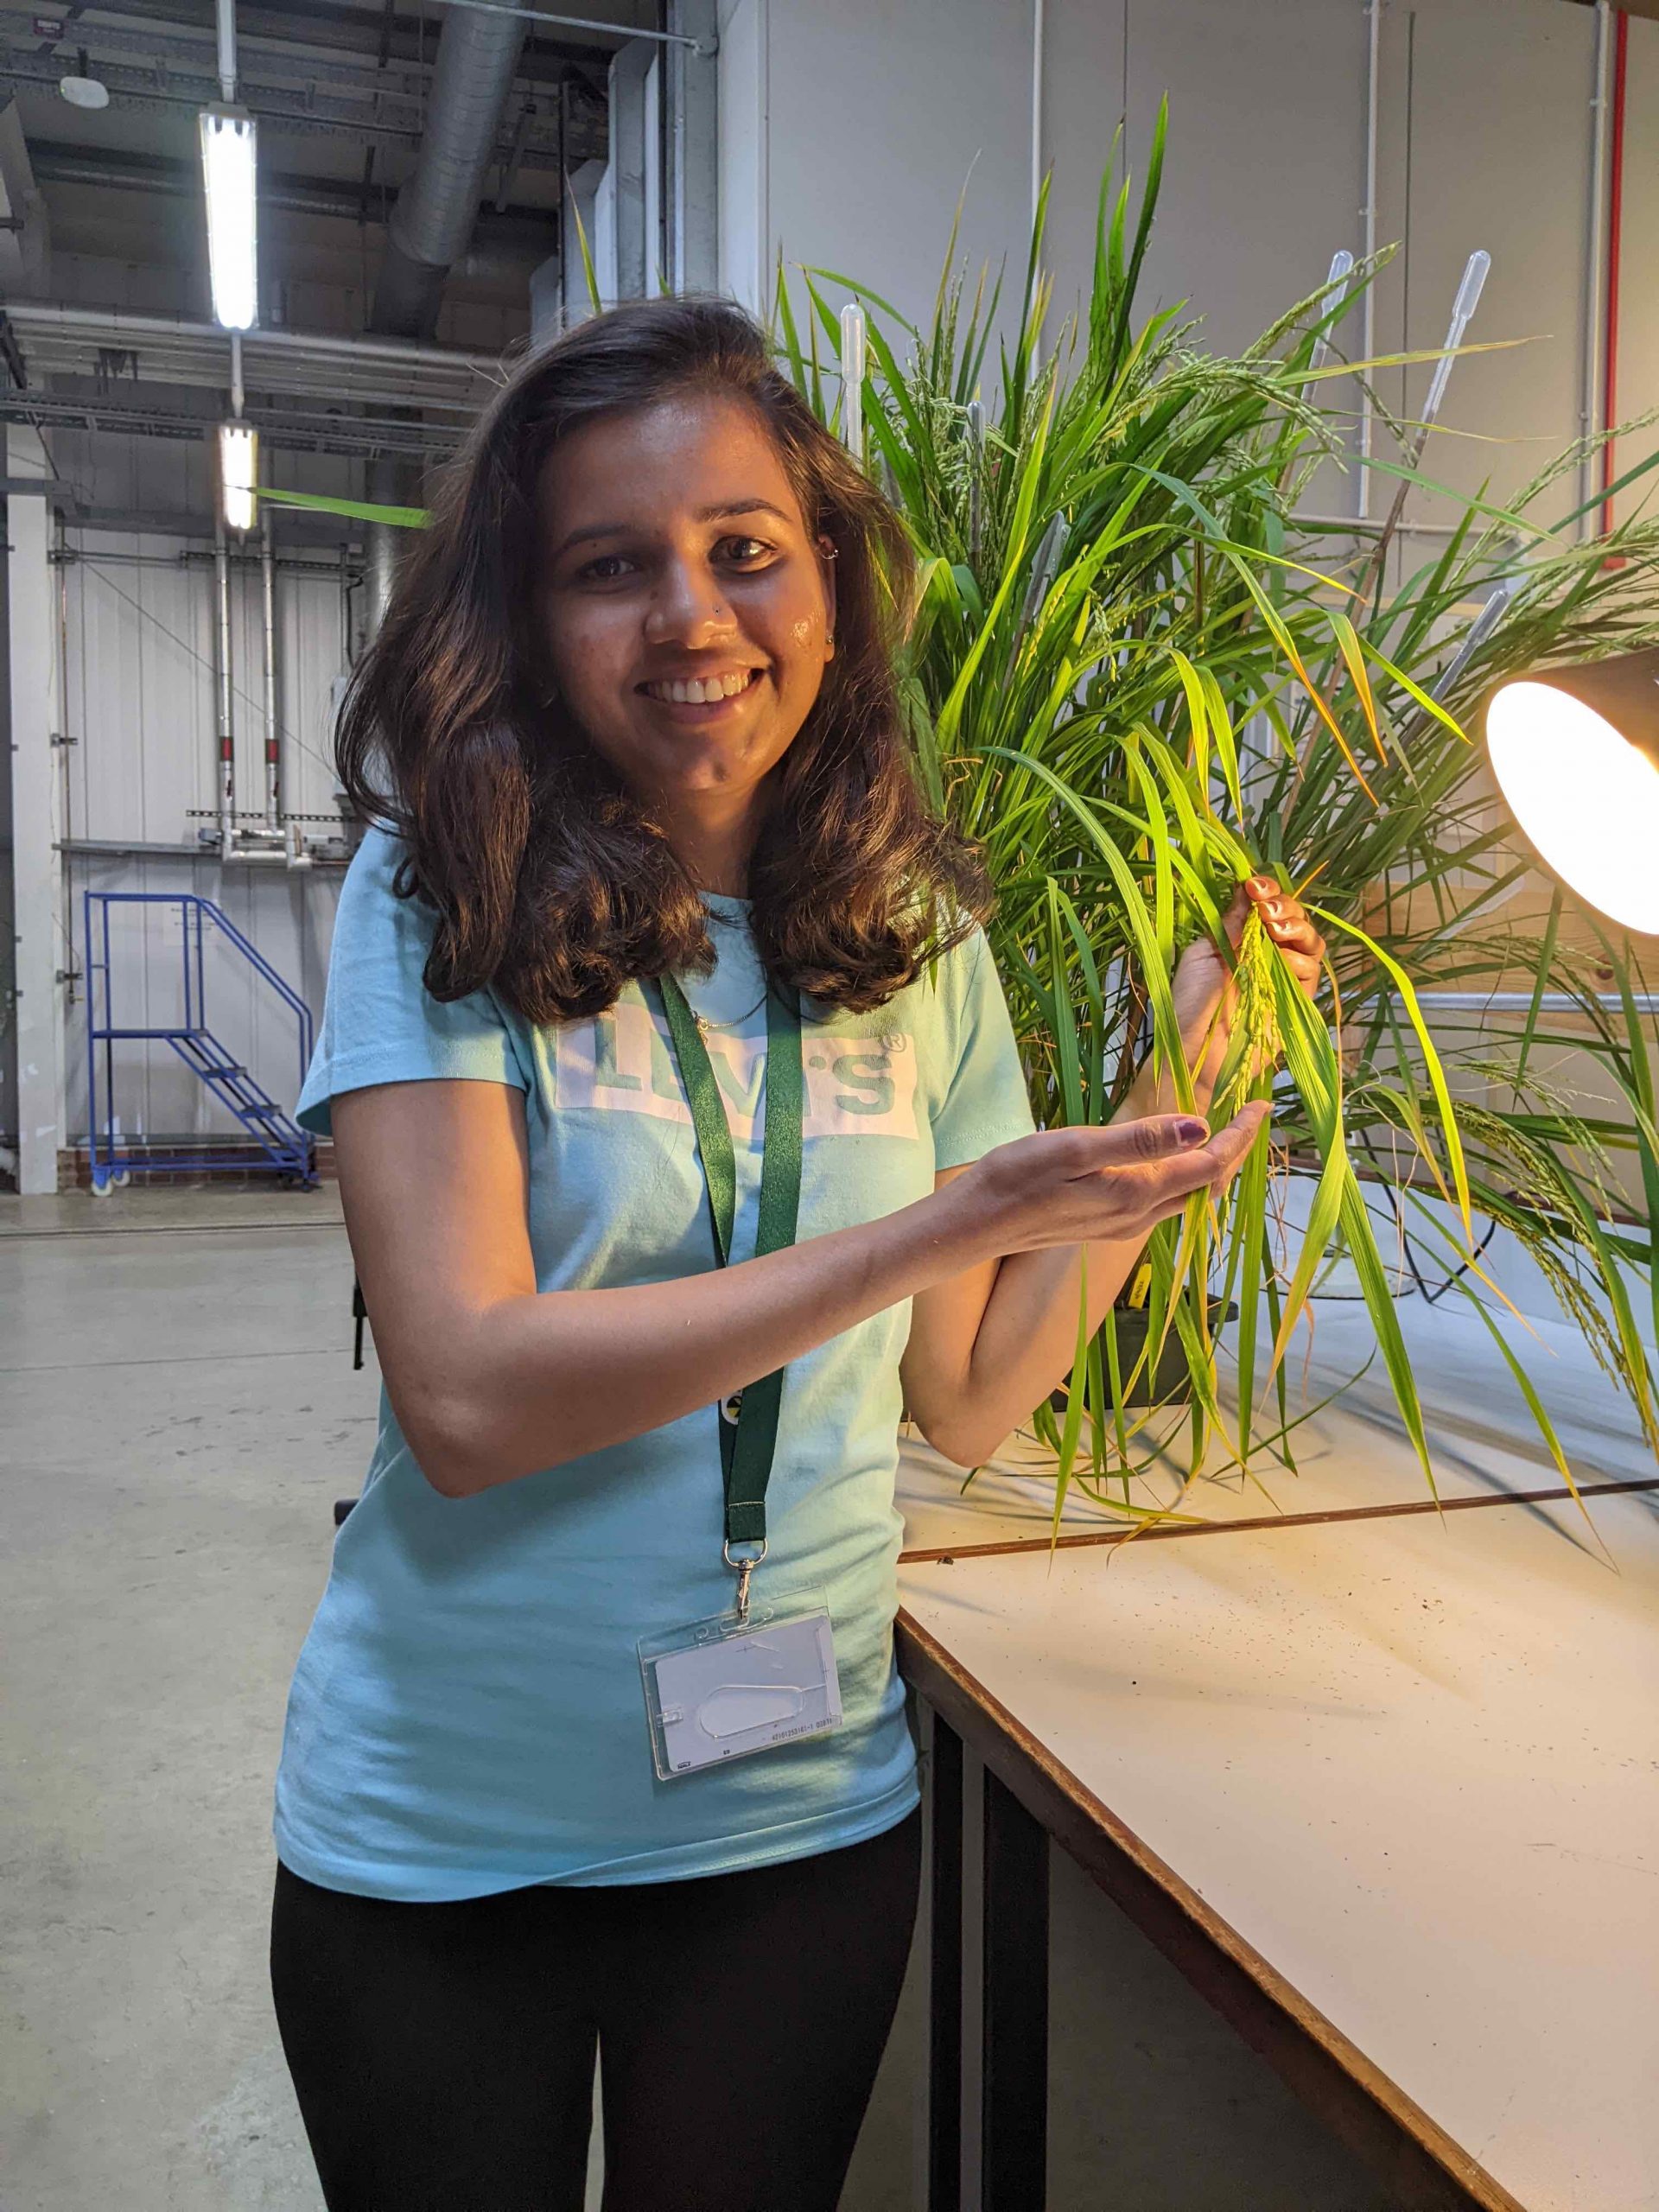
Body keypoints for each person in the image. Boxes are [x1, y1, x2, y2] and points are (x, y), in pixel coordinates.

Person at [267, 294, 1323, 2212]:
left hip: (792, 1821)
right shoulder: (438, 888)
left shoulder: (912, 928)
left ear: (828, 588)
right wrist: (944, 1218)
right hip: (446, 1833)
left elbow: (971, 1396)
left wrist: (1187, 1070)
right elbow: (470, 1393)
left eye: (744, 551)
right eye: (612, 566)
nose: (690, 613)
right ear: (526, 610)